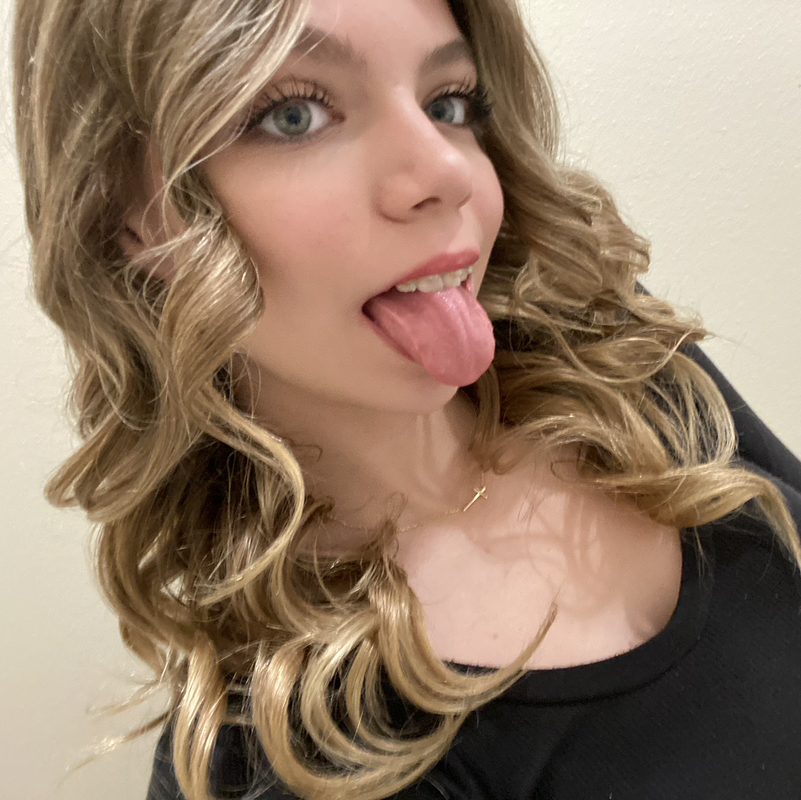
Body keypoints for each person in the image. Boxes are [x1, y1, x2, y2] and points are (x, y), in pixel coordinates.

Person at [12, 0, 801, 798]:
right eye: (291, 116)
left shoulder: (610, 355)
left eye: (448, 103)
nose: (445, 172)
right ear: (131, 218)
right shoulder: (287, 762)